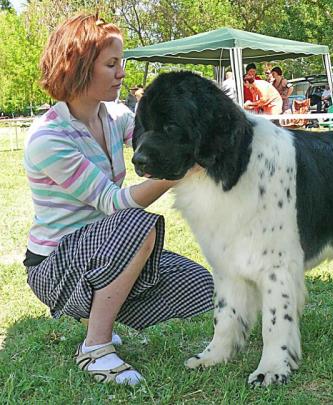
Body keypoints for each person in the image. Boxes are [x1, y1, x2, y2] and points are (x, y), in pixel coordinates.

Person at [23, 14, 214, 385]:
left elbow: (157, 139)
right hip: (54, 265)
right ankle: (95, 347)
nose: (122, 73)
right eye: (111, 64)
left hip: (106, 250)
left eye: (120, 63)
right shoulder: (48, 138)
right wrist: (181, 172)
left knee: (200, 287)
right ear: (78, 67)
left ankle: (96, 310)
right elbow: (114, 203)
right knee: (138, 224)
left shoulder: (116, 115)